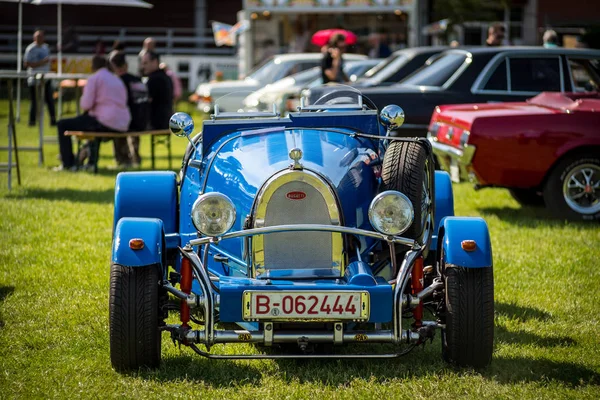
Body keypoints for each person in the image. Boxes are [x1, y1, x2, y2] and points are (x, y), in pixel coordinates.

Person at [54, 55, 130, 171]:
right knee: (90, 124)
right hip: (122, 123)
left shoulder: (95, 79)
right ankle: (90, 162)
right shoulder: (116, 79)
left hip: (105, 122)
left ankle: (68, 164)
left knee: (63, 124)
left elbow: (86, 104)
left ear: (93, 67)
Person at [109, 50, 149, 167]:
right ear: (126, 65)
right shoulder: (136, 79)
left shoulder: (118, 81)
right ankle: (135, 157)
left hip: (128, 122)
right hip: (142, 121)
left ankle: (123, 160)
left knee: (117, 123)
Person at [24, 30, 56, 127]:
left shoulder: (46, 47)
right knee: (34, 101)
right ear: (34, 38)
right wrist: (41, 63)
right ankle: (32, 121)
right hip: (34, 79)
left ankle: (53, 121)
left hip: (45, 78)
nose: (40, 39)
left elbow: (48, 62)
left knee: (49, 100)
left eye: (41, 37)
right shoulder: (30, 49)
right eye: (38, 37)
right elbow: (26, 64)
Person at [140, 51, 173, 130]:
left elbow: (146, 101)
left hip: (155, 123)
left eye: (145, 63)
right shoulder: (166, 77)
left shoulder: (154, 79)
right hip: (167, 120)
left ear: (154, 62)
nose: (143, 66)